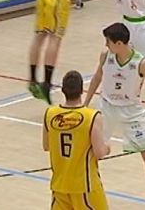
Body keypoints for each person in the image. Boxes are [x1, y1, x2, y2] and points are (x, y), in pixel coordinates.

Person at [85, 22, 145, 210]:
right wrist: (85, 104)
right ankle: (89, 192)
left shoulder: (141, 63)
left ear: (119, 44)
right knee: (92, 152)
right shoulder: (105, 56)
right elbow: (97, 78)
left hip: (131, 110)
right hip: (106, 108)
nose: (105, 45)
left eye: (108, 41)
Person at [43, 71, 110, 210]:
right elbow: (100, 153)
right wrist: (107, 147)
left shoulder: (50, 114)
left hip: (59, 186)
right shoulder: (91, 116)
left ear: (63, 90)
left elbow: (46, 145)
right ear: (81, 90)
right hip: (85, 187)